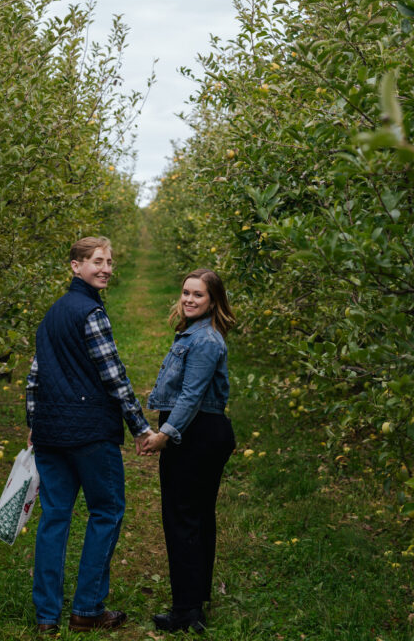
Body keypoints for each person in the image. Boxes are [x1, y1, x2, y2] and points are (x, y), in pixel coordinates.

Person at [26, 236, 153, 635]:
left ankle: (47, 615)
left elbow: (34, 377)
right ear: (75, 266)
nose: (106, 268)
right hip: (90, 433)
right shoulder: (90, 313)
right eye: (97, 261)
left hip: (51, 432)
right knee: (106, 511)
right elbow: (113, 375)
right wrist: (139, 425)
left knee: (55, 518)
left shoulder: (52, 314)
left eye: (110, 261)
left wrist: (35, 422)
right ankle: (87, 609)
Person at [141, 268, 236, 635]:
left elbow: (192, 395)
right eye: (185, 293)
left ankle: (186, 610)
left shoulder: (206, 341)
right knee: (194, 517)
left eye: (198, 295)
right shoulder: (192, 334)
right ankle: (193, 604)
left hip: (198, 433)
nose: (189, 299)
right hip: (198, 431)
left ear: (213, 301)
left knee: (183, 518)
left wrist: (166, 433)